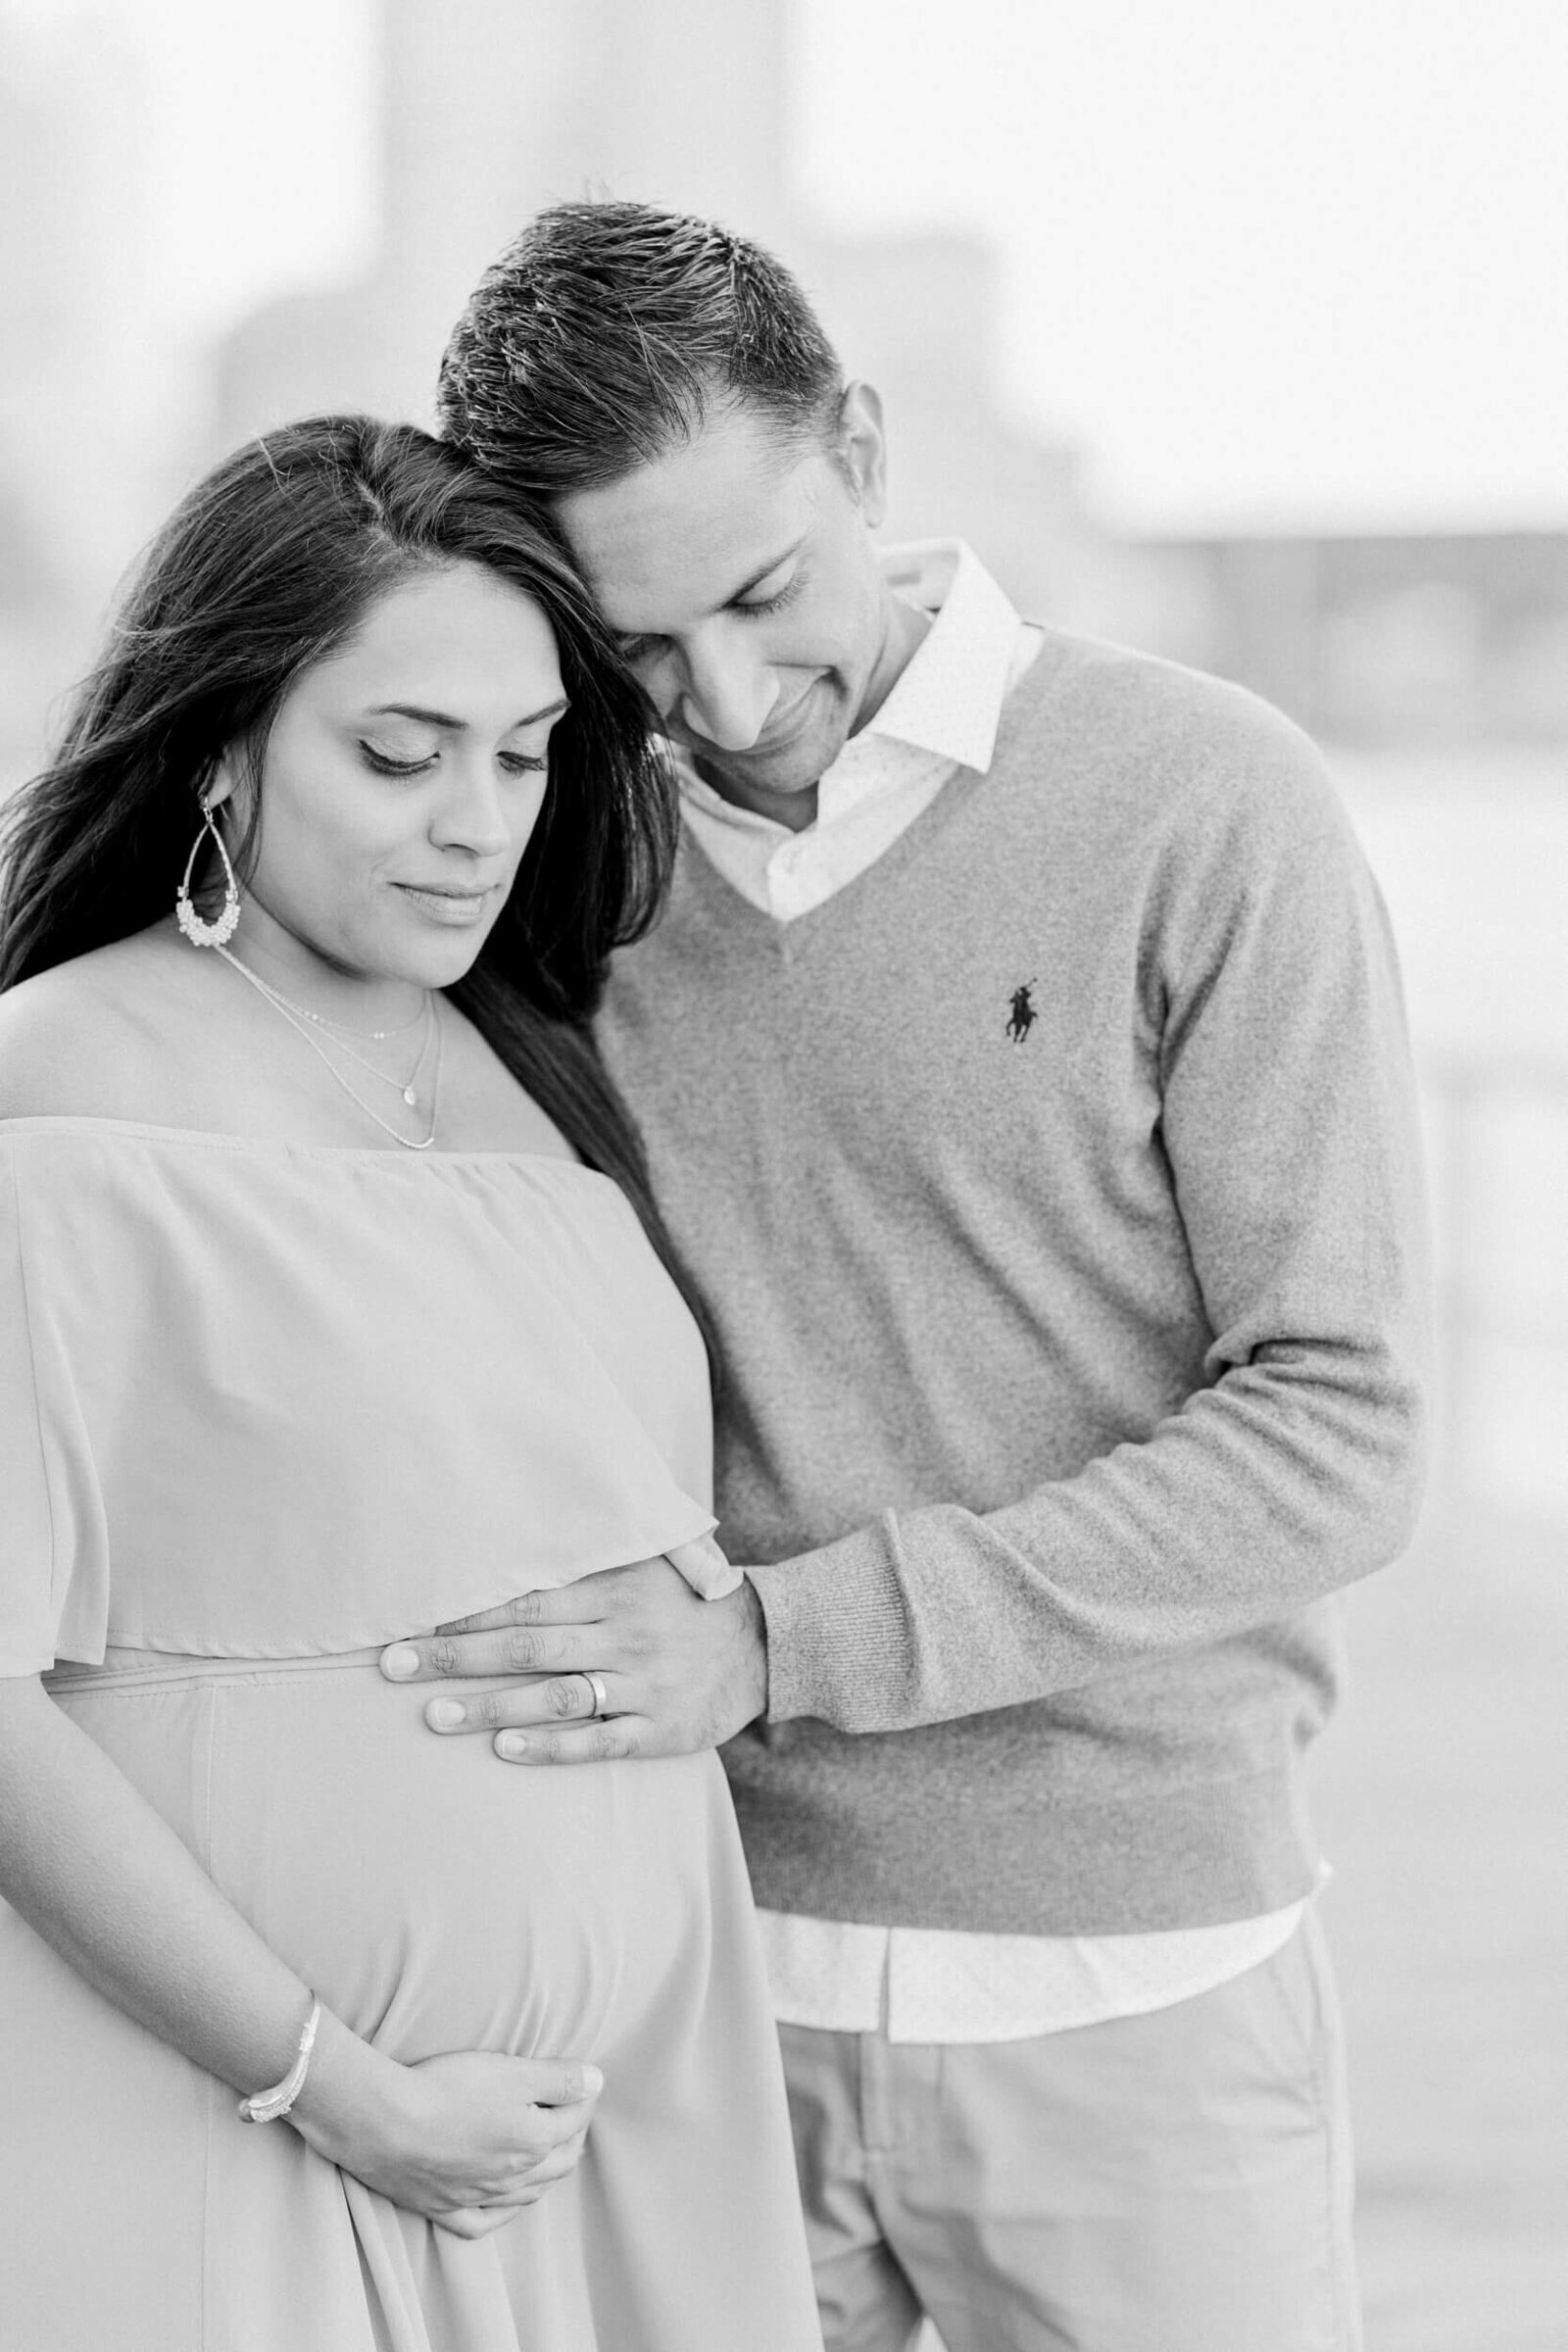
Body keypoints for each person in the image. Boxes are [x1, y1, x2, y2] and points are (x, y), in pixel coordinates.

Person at [399, 204, 1433, 2352]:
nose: (731, 701)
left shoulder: (1200, 802)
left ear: (857, 449)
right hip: (686, 1983)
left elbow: (1333, 1431)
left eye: (764, 595)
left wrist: (776, 1645)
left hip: (1131, 1983)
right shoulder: (568, 862)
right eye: (637, 653)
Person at [0, 416, 822, 2352]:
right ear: (218, 746)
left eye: (523, 756)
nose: (475, 820)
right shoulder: (63, 1090)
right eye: (398, 754)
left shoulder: (531, 1072)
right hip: (238, 2119)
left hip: (602, 2152)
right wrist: (337, 2086)